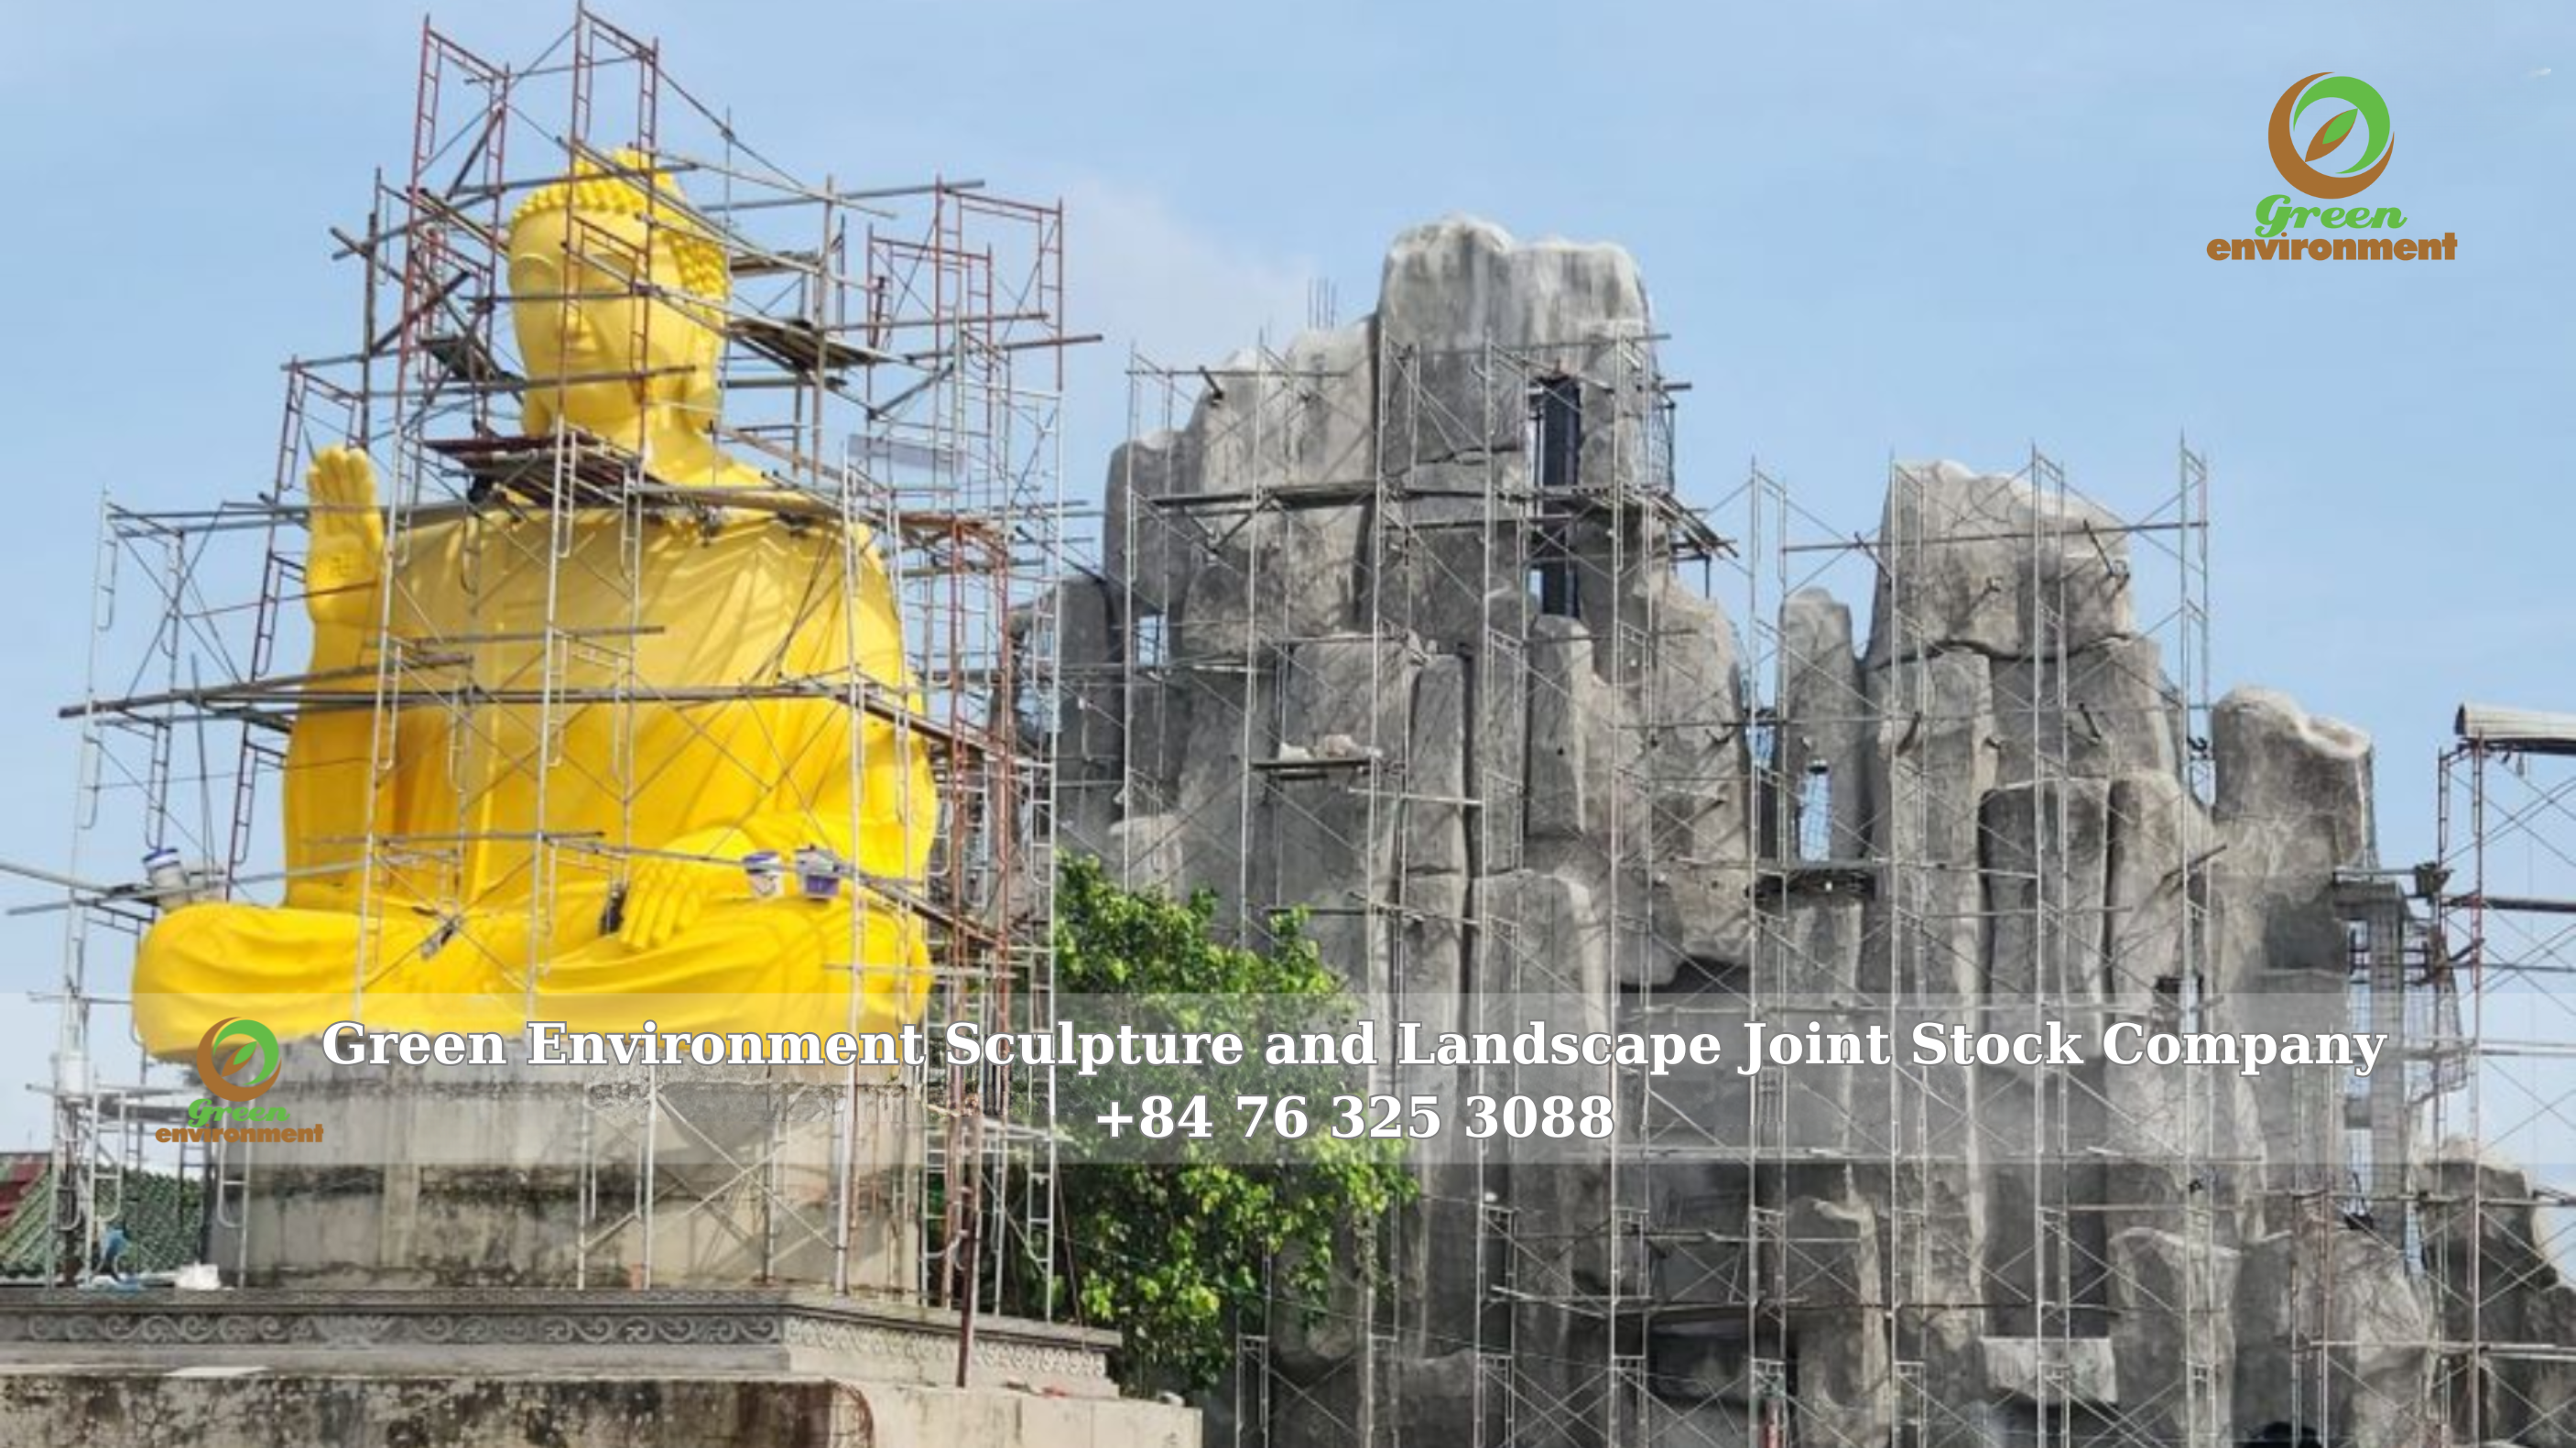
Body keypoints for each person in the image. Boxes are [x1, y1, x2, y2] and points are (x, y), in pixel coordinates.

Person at [133, 152, 937, 1053]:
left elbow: (881, 818)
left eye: (606, 285)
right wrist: (350, 631)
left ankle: (472, 1005)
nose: (565, 318)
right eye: (536, 287)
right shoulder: (441, 555)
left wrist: (727, 860)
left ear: (702, 319)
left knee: (818, 955)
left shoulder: (798, 547)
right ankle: (474, 999)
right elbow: (337, 874)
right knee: (185, 955)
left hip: (678, 932)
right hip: (455, 936)